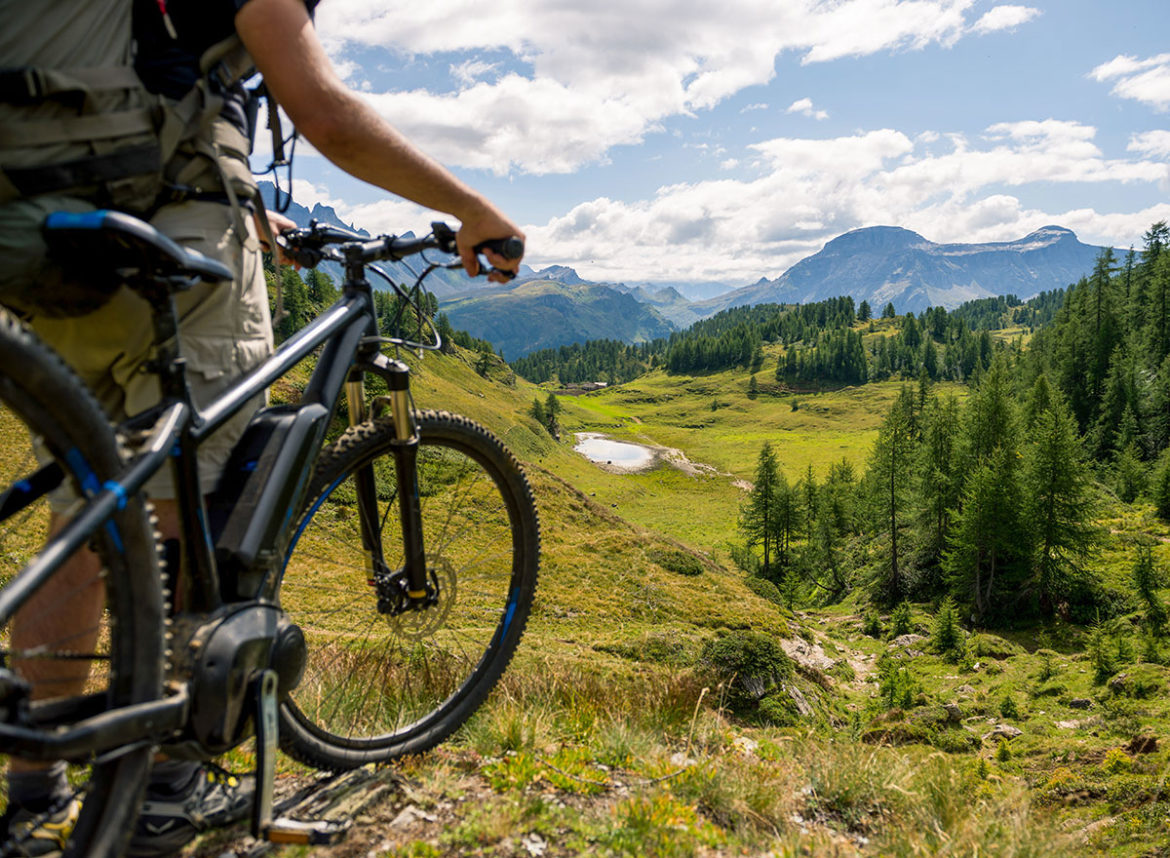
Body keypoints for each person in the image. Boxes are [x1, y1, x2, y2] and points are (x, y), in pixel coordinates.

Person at [2, 0, 524, 854]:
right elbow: (323, 112)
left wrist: (246, 205)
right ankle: (165, 788)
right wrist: (474, 209)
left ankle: (36, 790)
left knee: (86, 515)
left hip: (50, 229)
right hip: (173, 246)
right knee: (187, 518)